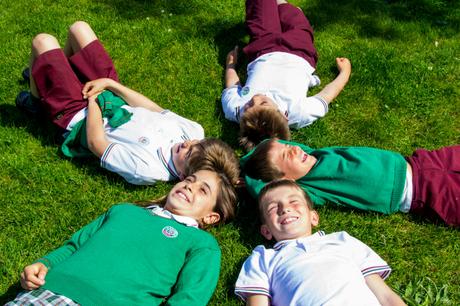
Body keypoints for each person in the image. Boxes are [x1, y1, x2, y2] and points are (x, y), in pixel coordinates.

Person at [15, 21, 217, 185]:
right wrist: (111, 84)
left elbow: (97, 144)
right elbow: (154, 109)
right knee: (79, 28)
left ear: (183, 176)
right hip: (112, 95)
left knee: (43, 41)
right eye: (195, 144)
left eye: (188, 152)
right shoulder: (194, 131)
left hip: (81, 114)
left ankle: (36, 101)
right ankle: (50, 72)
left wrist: (94, 101)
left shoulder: (149, 170)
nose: (187, 143)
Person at [6, 168, 238, 306]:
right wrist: (43, 264)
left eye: (203, 190)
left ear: (211, 217)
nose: (190, 186)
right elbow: (74, 245)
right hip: (47, 291)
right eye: (189, 179)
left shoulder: (201, 243)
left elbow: (190, 297)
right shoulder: (124, 210)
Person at [235, 179, 406, 305]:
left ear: (313, 217)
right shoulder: (263, 258)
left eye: (294, 202)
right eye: (273, 208)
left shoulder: (342, 240)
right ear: (266, 231)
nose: (285, 208)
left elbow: (384, 295)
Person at [222, 0, 352, 151]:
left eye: (248, 106)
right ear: (284, 116)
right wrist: (345, 72)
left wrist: (230, 65)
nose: (255, 98)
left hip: (262, 47)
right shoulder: (299, 112)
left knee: (260, 6)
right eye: (263, 103)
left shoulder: (235, 110)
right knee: (293, 16)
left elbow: (232, 86)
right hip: (299, 50)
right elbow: (326, 95)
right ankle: (287, 9)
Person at [241, 138, 460, 226]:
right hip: (423, 192)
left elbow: (272, 143)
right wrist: (241, 172)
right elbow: (266, 190)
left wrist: (273, 149)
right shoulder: (309, 187)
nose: (295, 148)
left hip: (422, 162)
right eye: (288, 155)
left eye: (288, 146)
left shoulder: (314, 154)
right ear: (283, 180)